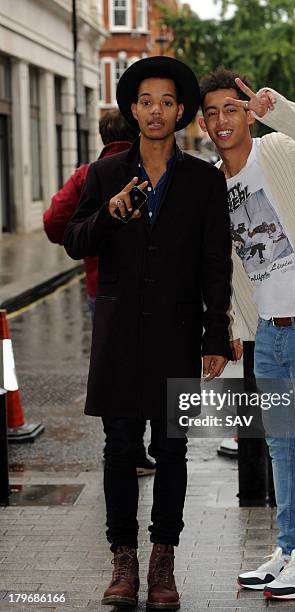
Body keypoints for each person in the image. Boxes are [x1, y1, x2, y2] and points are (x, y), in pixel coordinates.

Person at [63, 56, 232, 609]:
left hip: (177, 335)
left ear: (180, 111)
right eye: (145, 101)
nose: (156, 110)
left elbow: (215, 264)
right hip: (117, 335)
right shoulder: (104, 174)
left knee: (173, 449)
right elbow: (75, 240)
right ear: (132, 110)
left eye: (166, 102)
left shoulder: (205, 179)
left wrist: (213, 336)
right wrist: (109, 215)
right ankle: (123, 560)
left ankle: (163, 562)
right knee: (118, 449)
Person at [199, 68, 295, 601]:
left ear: (245, 113)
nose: (222, 119)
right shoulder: (213, 187)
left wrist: (276, 108)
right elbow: (229, 264)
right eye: (212, 112)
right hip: (271, 332)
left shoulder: (282, 150)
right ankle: (288, 548)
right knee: (281, 448)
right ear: (202, 122)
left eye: (231, 109)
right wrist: (235, 326)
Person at [43, 110, 156, 478]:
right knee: (149, 362)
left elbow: (54, 223)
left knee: (112, 367)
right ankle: (138, 449)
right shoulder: (151, 167)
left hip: (101, 287)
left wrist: (88, 238)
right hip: (153, 285)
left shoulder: (88, 174)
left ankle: (120, 447)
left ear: (101, 135)